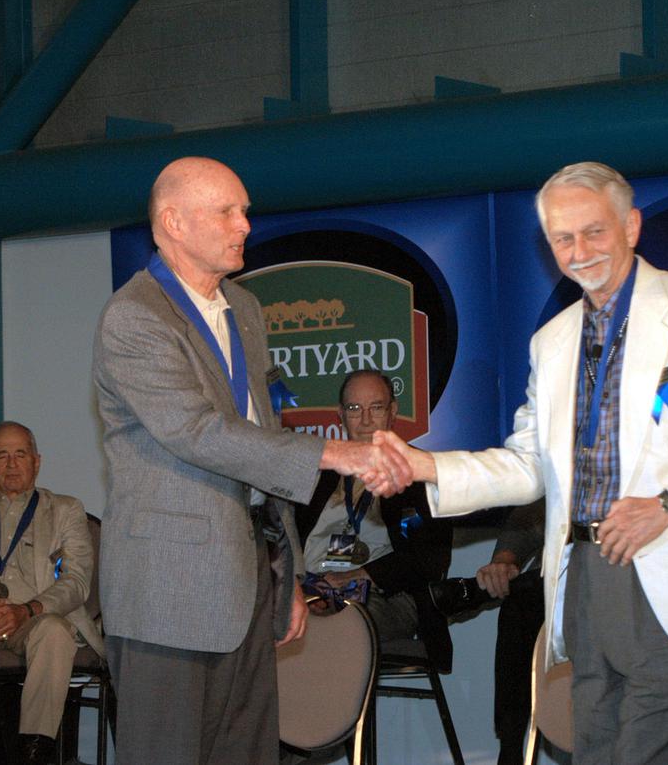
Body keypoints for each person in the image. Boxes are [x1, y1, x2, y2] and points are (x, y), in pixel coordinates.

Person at [379, 161, 668, 764]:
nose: (580, 250)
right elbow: (527, 464)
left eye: (594, 231)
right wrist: (424, 468)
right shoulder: (555, 339)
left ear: (632, 225)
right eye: (563, 238)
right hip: (586, 579)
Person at [91, 156, 411, 764]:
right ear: (174, 223)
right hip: (169, 595)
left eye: (245, 211)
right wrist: (333, 452)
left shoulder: (245, 309)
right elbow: (197, 432)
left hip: (246, 587)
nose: (244, 225)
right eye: (227, 211)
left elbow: (259, 440)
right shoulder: (134, 317)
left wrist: (284, 574)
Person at [0, 421, 104, 764]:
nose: (12, 464)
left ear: (37, 462)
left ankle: (34, 751)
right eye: (2, 455)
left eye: (20, 454)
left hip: (38, 618)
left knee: (54, 631)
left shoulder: (66, 511)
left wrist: (26, 610)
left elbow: (76, 582)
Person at [295, 370, 453, 668]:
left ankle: (336, 715)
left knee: (333, 626)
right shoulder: (317, 475)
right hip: (311, 591)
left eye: (376, 408)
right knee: (272, 621)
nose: (366, 420)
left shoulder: (420, 473)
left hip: (385, 596)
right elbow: (283, 539)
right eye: (355, 409)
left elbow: (430, 559)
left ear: (392, 412)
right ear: (340, 416)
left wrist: (361, 576)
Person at [430, 500, 545, 765]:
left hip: (618, 583)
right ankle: (510, 746)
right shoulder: (573, 464)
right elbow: (533, 513)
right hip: (548, 587)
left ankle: (469, 592)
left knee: (524, 594)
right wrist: (505, 559)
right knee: (519, 605)